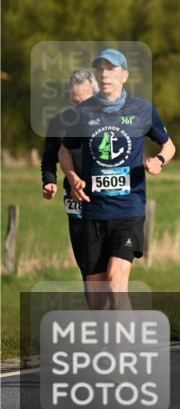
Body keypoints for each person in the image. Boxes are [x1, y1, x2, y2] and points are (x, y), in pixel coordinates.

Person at [59, 49, 176, 308]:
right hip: (94, 212)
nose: (104, 75)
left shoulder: (143, 109)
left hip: (128, 210)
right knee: (97, 299)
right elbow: (64, 150)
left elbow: (169, 146)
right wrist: (73, 177)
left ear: (125, 74)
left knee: (115, 281)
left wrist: (159, 161)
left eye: (111, 69)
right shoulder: (84, 112)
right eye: (100, 69)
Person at [41, 69, 98, 306]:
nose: (79, 108)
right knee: (86, 265)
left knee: (109, 266)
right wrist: (49, 180)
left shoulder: (108, 121)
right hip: (74, 201)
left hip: (106, 200)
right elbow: (48, 158)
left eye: (84, 102)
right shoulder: (60, 123)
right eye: (74, 102)